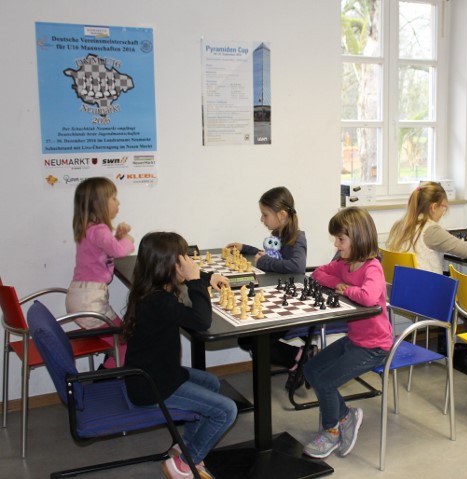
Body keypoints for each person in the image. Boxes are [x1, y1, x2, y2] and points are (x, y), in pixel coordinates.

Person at [123, 232, 237, 479]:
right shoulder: (159, 302)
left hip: (153, 373)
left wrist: (206, 277)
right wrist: (195, 280)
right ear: (169, 267)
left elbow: (186, 284)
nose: (187, 262)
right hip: (152, 385)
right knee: (227, 410)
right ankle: (185, 464)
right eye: (182, 258)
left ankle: (185, 446)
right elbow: (201, 321)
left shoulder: (148, 290)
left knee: (211, 382)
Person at [302, 207, 393, 459]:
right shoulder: (345, 264)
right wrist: (338, 283)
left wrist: (346, 289)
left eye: (340, 239)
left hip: (375, 347)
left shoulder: (372, 268)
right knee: (310, 370)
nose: (336, 244)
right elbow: (318, 273)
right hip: (355, 340)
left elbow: (369, 297)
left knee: (325, 381)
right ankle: (345, 416)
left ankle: (331, 432)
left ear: (358, 238)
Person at [226, 186, 310, 391]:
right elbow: (271, 256)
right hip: (278, 298)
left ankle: (298, 357)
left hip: (291, 306)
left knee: (253, 341)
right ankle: (299, 356)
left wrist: (263, 263)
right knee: (246, 339)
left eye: (265, 214)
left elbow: (296, 267)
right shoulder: (278, 235)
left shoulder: (298, 238)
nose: (262, 219)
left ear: (281, 215)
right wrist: (246, 248)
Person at [65, 177, 135, 369]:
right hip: (89, 301)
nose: (118, 202)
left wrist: (117, 237)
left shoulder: (89, 228)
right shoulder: (99, 230)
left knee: (123, 336)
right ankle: (103, 378)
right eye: (113, 198)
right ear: (99, 204)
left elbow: (104, 250)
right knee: (125, 343)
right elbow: (118, 251)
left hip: (83, 297)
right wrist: (127, 240)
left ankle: (110, 372)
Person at [386, 181, 467, 274]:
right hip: (426, 284)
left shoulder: (398, 225)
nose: (443, 213)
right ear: (434, 207)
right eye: (444, 208)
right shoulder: (431, 230)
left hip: (401, 283)